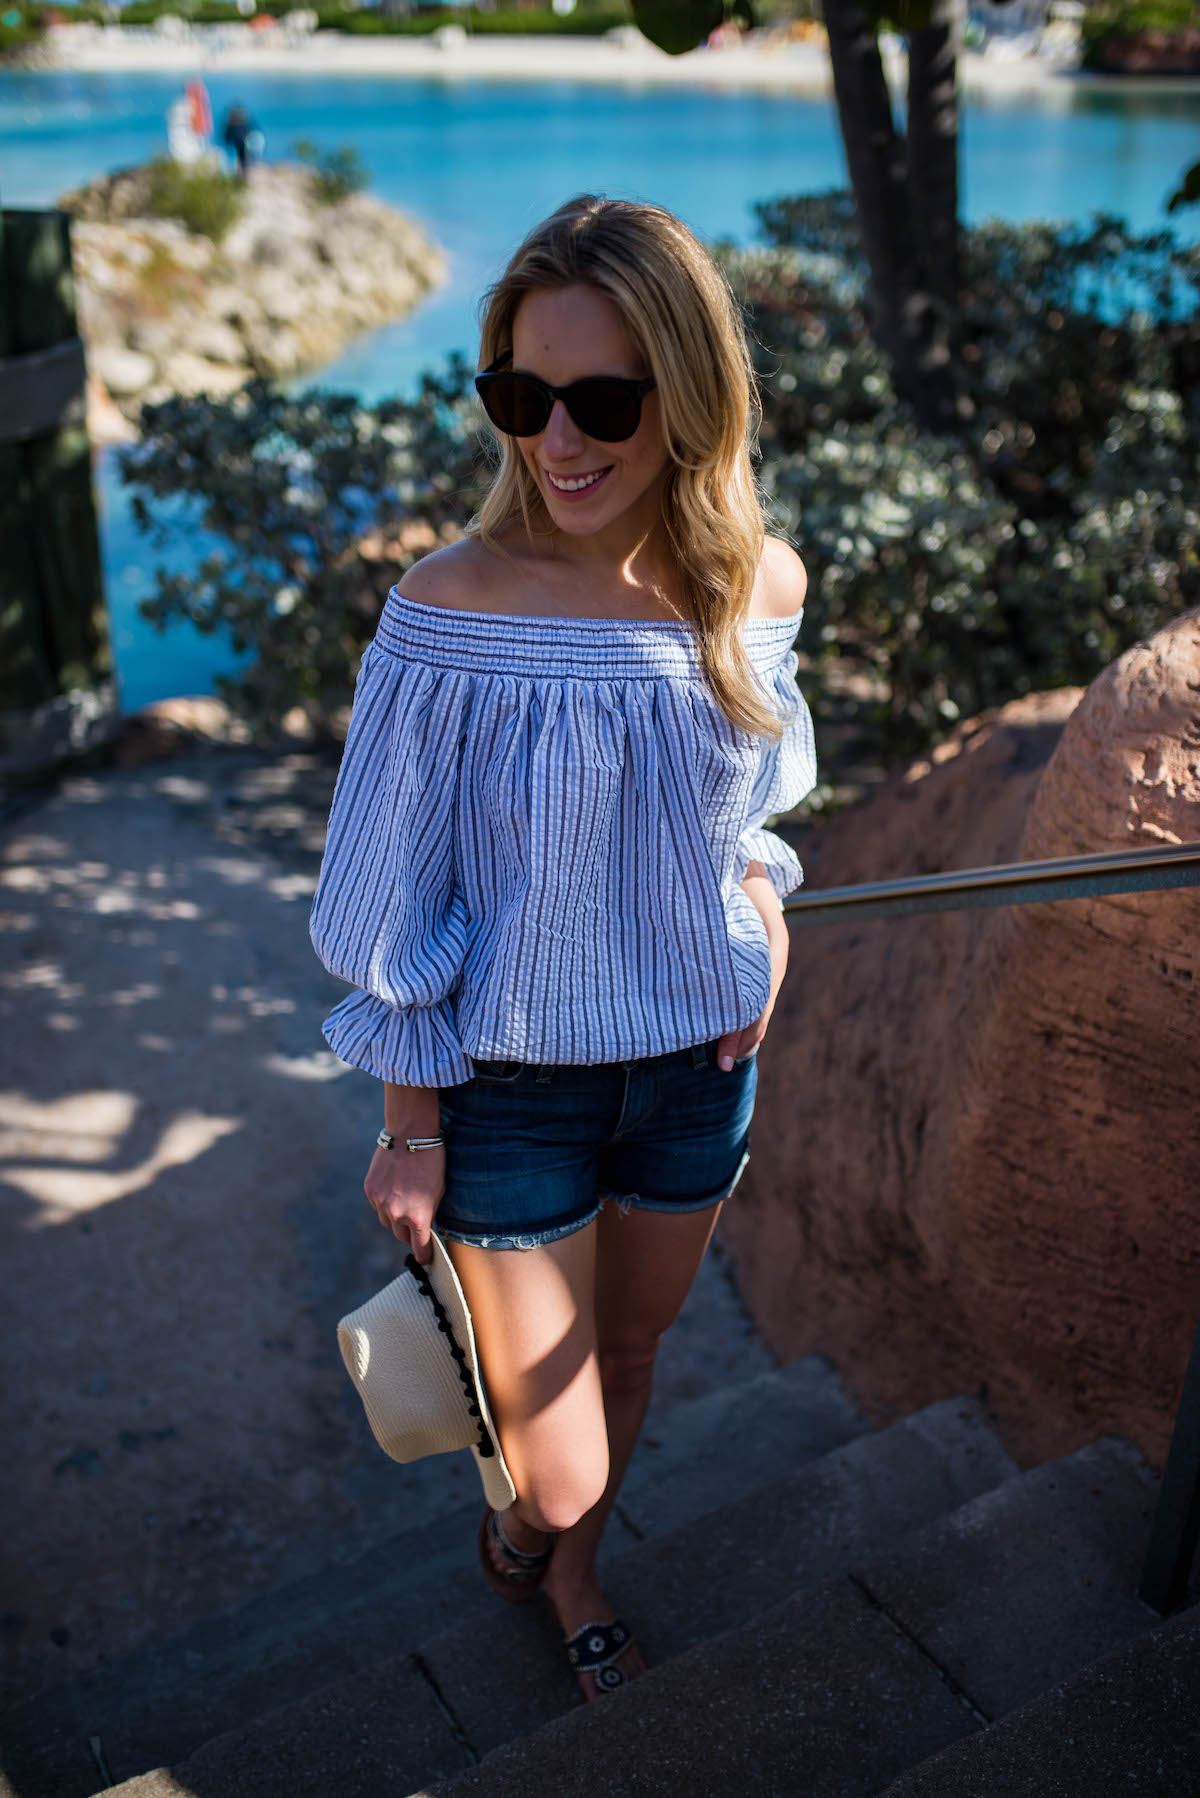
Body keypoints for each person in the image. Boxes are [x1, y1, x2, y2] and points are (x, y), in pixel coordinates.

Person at [308, 193, 816, 1702]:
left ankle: (569, 1575)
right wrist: (408, 1121)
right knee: (564, 1454)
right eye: (524, 398)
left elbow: (759, 803)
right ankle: (544, 1534)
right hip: (510, 1088)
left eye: (602, 400)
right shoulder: (448, 609)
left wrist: (767, 908)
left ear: (692, 397)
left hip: (693, 1070)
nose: (560, 441)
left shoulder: (757, 585)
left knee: (637, 1358)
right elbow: (397, 893)